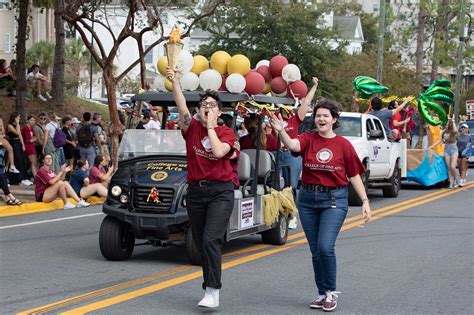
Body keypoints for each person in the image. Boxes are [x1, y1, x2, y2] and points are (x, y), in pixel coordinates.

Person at [271, 99, 371, 312]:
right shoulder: (308, 138)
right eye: (318, 116)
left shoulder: (343, 145)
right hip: (307, 200)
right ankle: (322, 292)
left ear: (334, 120)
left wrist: (364, 201)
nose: (321, 119)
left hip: (334, 200)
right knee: (316, 250)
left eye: (326, 116)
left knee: (325, 247)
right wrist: (282, 131)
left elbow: (353, 175)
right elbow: (293, 145)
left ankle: (331, 292)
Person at [169, 67, 236, 308]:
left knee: (210, 240)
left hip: (221, 191)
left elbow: (218, 152)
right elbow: (181, 106)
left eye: (212, 104)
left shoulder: (227, 133)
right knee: (199, 242)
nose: (207, 107)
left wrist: (210, 127)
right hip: (196, 191)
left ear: (219, 111)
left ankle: (212, 290)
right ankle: (209, 286)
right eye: (203, 104)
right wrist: (176, 81)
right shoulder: (192, 128)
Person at [279, 77, 319, 189]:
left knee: (291, 186)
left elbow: (306, 102)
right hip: (275, 154)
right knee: (276, 185)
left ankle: (292, 205)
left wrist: (315, 86)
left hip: (291, 154)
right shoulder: (275, 118)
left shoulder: (295, 118)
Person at [430, 117, 458, 188]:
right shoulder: (443, 132)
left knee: (452, 166)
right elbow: (439, 141)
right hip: (446, 149)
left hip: (453, 149)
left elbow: (455, 130)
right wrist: (432, 146)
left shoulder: (453, 131)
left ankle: (456, 178)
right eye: (445, 124)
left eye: (447, 124)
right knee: (448, 167)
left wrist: (453, 121)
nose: (445, 126)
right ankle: (451, 183)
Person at [7, 112, 32, 186]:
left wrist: (23, 145)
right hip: (13, 143)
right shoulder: (9, 126)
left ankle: (24, 178)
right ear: (14, 118)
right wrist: (17, 124)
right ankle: (20, 179)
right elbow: (17, 133)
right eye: (18, 117)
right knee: (18, 161)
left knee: (23, 160)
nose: (19, 118)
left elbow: (20, 135)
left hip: (18, 143)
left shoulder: (17, 125)